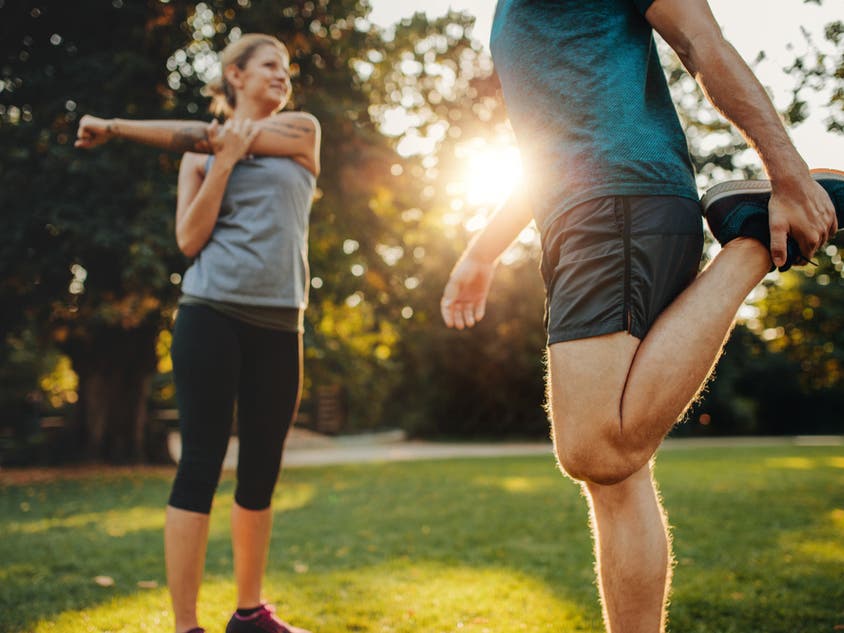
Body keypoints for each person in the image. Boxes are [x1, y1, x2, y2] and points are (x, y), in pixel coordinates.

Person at [440, 1, 842, 632]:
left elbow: (699, 39)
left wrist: (790, 178)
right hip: (589, 214)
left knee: (595, 448)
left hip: (619, 205)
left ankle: (753, 244)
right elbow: (548, 149)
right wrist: (481, 252)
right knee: (617, 481)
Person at [76, 33, 320, 633]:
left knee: (262, 468)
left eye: (285, 69)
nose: (281, 76)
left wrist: (115, 125)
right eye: (269, 66)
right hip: (210, 313)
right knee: (201, 465)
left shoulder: (302, 134)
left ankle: (249, 613)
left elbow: (213, 132)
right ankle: (186, 626)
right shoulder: (199, 157)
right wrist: (225, 164)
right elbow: (189, 241)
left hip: (280, 320)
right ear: (235, 76)